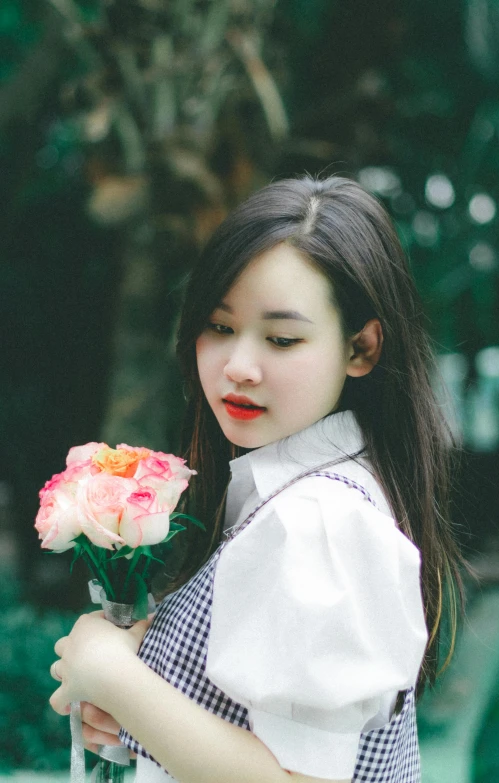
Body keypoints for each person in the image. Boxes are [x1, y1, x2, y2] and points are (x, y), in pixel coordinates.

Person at [49, 176, 464, 783]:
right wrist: (142, 701)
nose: (239, 366)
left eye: (282, 338)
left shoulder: (319, 521)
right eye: (219, 327)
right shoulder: (292, 495)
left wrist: (117, 678)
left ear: (362, 348)